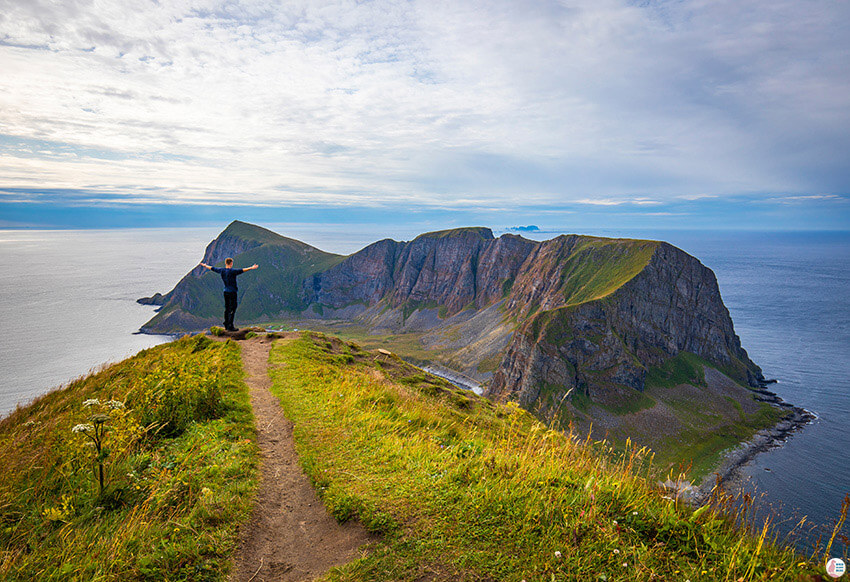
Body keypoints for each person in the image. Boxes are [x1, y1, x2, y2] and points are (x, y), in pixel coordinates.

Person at [199, 258, 259, 331]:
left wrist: (205, 266)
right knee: (233, 309)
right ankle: (230, 326)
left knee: (227, 308)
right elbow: (242, 270)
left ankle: (226, 324)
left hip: (226, 292)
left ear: (225, 263)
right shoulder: (233, 271)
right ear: (231, 263)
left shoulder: (222, 270)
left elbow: (213, 268)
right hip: (232, 292)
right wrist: (251, 268)